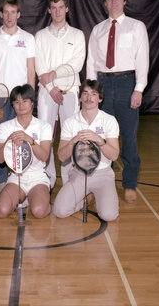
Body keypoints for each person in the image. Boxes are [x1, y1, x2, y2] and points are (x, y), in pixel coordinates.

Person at [86, 0, 149, 203]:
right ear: (105, 3)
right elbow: (91, 61)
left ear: (125, 2)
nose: (114, 1)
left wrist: (138, 89)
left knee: (129, 138)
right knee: (101, 137)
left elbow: (142, 58)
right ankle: (100, 184)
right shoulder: (98, 30)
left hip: (126, 83)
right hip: (102, 84)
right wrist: (92, 91)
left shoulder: (136, 27)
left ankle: (129, 184)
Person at [0, 0, 35, 201]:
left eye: (14, 12)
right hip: (1, 99)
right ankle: (2, 183)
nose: (10, 16)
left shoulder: (29, 39)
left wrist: (30, 97)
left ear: (19, 14)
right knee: (1, 141)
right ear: (0, 14)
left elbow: (31, 71)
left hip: (21, 97)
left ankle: (25, 182)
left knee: (24, 140)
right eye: (6, 12)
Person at [35, 0, 86, 188]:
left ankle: (69, 179)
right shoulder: (40, 36)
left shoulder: (78, 35)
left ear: (67, 9)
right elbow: (40, 67)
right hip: (47, 94)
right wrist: (51, 88)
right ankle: (48, 179)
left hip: (71, 92)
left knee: (69, 135)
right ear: (49, 10)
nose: (57, 11)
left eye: (61, 7)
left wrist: (54, 74)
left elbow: (77, 64)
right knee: (46, 135)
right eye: (53, 8)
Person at [53, 79, 120, 222]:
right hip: (78, 174)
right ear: (80, 97)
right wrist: (73, 141)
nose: (89, 98)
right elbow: (61, 156)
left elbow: (114, 155)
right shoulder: (70, 122)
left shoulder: (109, 120)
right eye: (85, 93)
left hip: (103, 175)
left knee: (108, 216)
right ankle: (86, 197)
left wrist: (99, 140)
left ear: (100, 98)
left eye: (94, 94)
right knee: (59, 211)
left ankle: (96, 195)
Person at [0, 84, 52, 219]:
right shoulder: (5, 127)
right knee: (1, 211)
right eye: (17, 102)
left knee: (38, 211)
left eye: (25, 101)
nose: (21, 105)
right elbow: (0, 159)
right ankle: (22, 198)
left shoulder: (44, 126)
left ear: (32, 103)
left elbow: (44, 156)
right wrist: (9, 140)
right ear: (13, 105)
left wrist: (30, 140)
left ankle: (40, 200)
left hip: (37, 177)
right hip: (16, 177)